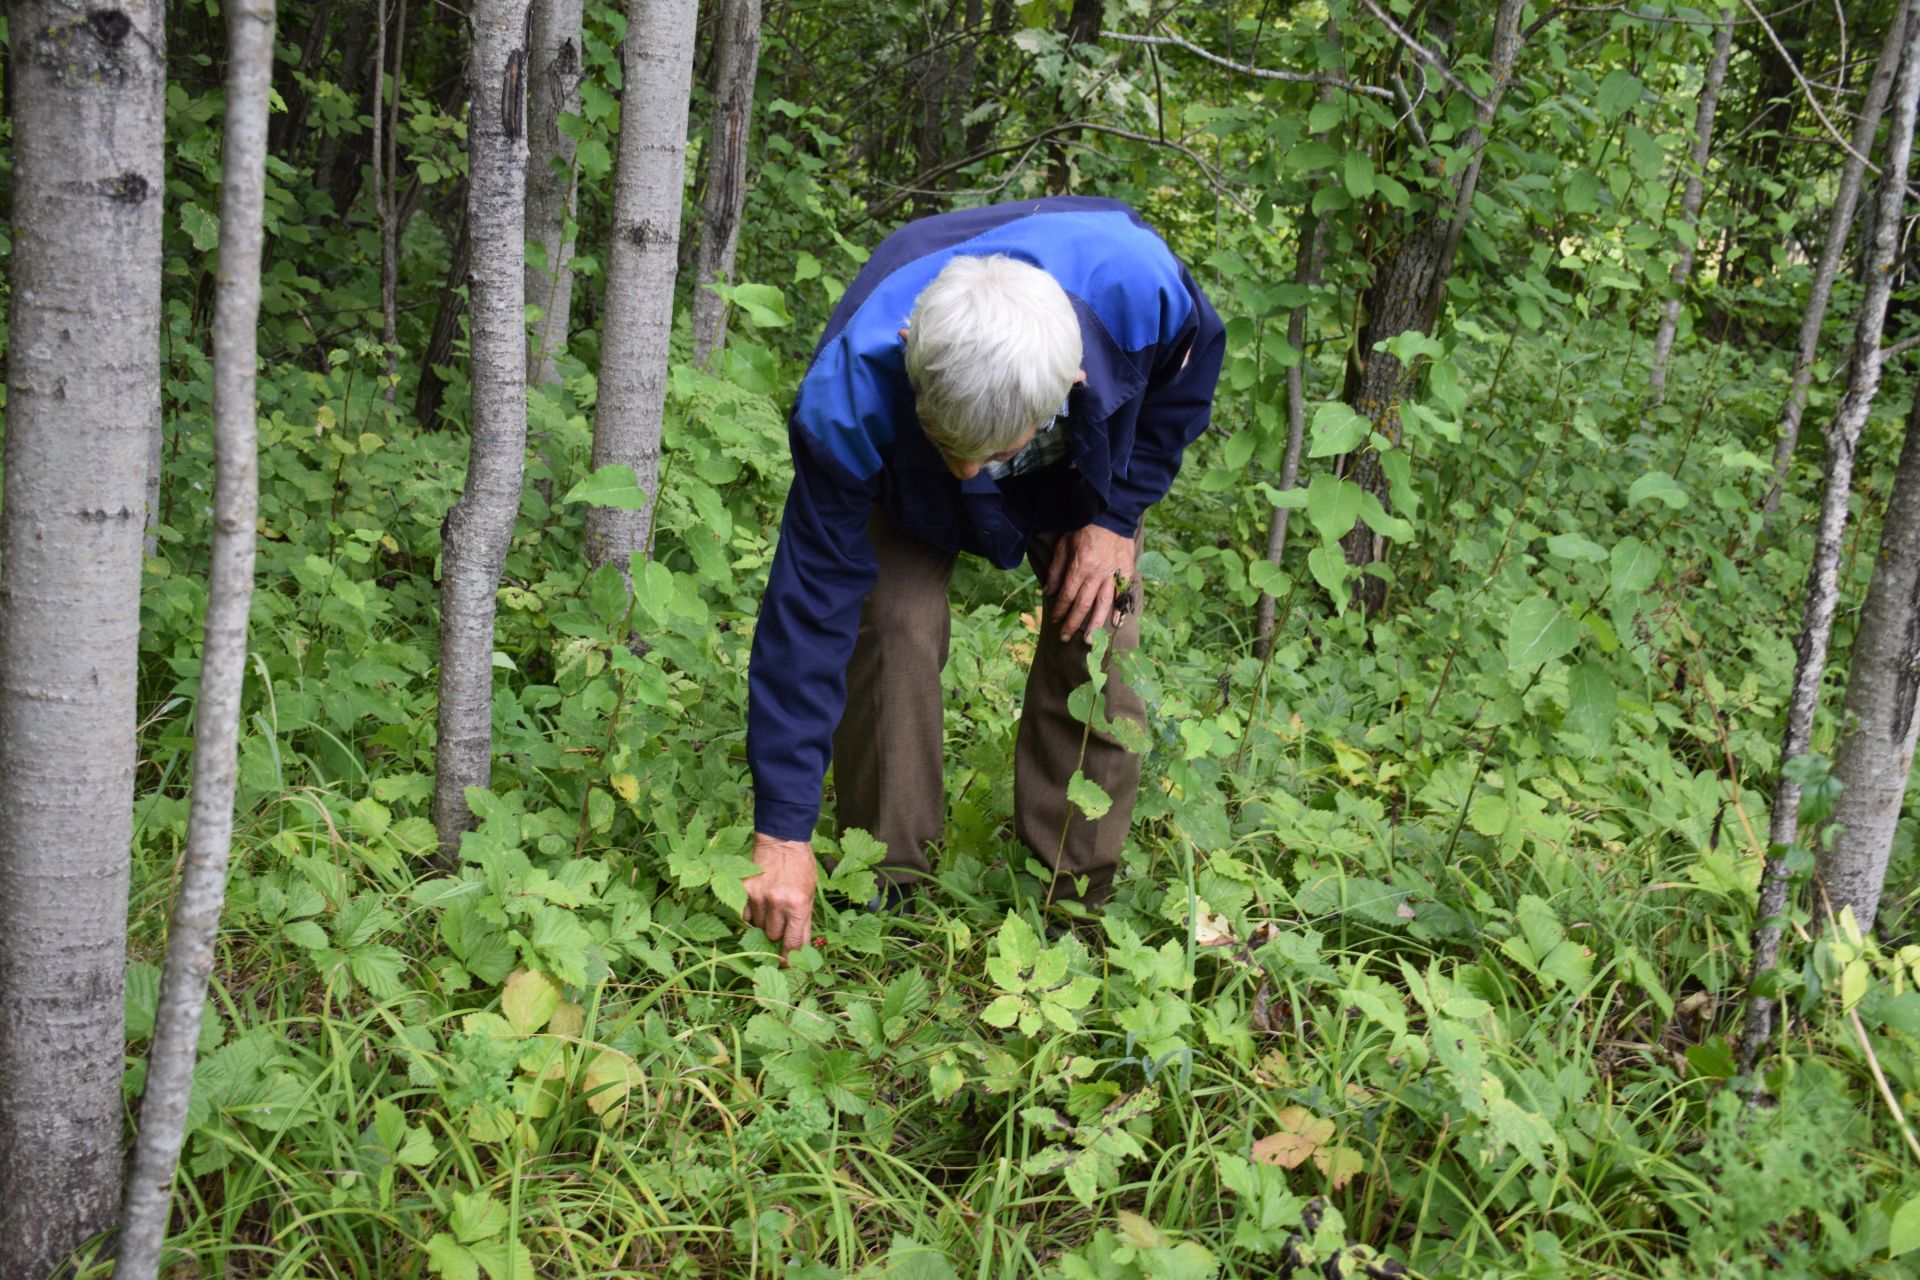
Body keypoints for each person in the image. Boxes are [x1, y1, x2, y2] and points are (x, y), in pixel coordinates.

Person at [742, 196, 1225, 960]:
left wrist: (1116, 516)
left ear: (1071, 380)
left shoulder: (1141, 293)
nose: (971, 472)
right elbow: (808, 613)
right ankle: (887, 887)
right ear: (908, 346)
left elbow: (1186, 381)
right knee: (892, 621)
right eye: (953, 443)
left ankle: (1072, 910)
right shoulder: (849, 398)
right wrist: (781, 829)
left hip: (1072, 469)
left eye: (990, 452)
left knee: (1100, 625)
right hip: (907, 476)